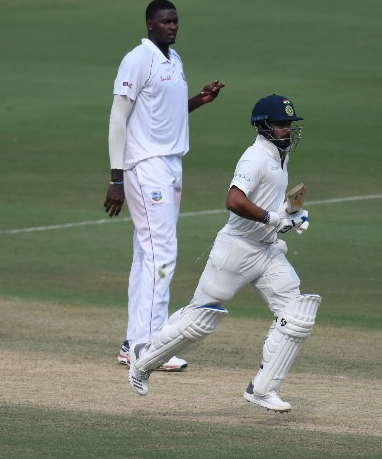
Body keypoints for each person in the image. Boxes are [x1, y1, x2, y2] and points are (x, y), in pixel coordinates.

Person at [126, 94, 321, 413]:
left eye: (290, 124)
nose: (288, 129)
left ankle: (263, 389)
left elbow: (269, 203)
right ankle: (143, 360)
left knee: (298, 315)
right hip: (236, 250)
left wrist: (291, 213)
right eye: (281, 124)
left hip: (267, 251)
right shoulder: (254, 158)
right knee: (199, 320)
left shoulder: (279, 156)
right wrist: (274, 218)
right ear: (263, 126)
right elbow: (233, 200)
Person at [104, 0, 225, 371]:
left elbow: (163, 111)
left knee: (147, 254)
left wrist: (199, 102)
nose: (172, 26)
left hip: (171, 163)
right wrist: (116, 177)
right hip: (146, 165)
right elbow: (118, 118)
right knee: (162, 255)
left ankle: (134, 343)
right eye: (164, 21)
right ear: (149, 24)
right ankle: (151, 346)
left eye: (175, 20)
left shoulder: (174, 61)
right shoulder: (137, 59)